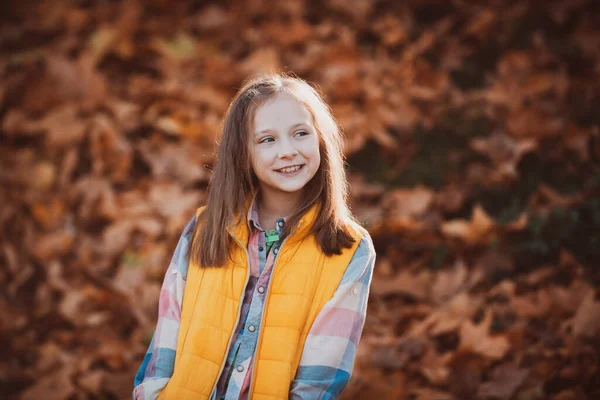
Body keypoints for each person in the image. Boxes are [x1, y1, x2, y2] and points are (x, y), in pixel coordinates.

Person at [133, 73, 376, 400]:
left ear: (321, 140)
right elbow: (165, 342)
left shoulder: (350, 249)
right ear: (242, 154)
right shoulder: (205, 228)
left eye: (300, 133)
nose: (288, 151)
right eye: (267, 140)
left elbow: (318, 381)